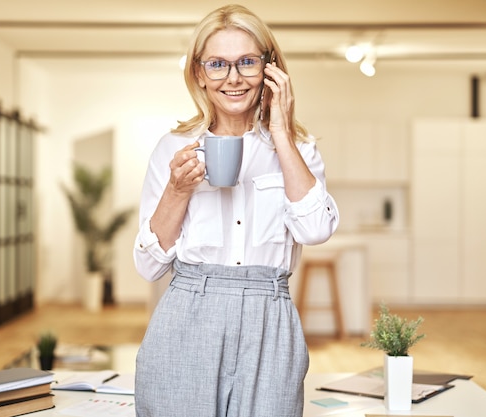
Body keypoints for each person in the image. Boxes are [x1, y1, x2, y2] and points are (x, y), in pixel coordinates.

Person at [133, 4, 339, 417]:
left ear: (270, 68)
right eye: (217, 64)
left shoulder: (299, 150)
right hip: (188, 313)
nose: (233, 78)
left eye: (247, 62)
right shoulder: (173, 148)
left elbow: (316, 229)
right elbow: (147, 266)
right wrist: (177, 190)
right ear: (199, 74)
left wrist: (281, 133)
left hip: (269, 319)